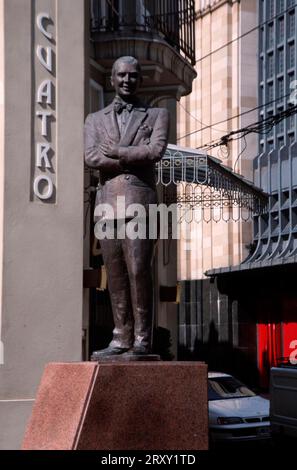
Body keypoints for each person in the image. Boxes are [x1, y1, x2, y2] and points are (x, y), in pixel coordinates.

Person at [84, 56, 169, 358]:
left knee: (138, 270)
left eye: (133, 76)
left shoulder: (157, 114)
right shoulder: (94, 120)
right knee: (116, 273)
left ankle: (143, 339)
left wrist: (119, 152)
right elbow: (91, 157)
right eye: (121, 75)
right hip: (107, 204)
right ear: (112, 79)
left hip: (140, 202)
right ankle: (121, 337)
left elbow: (155, 151)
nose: (127, 80)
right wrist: (134, 156)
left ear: (140, 80)